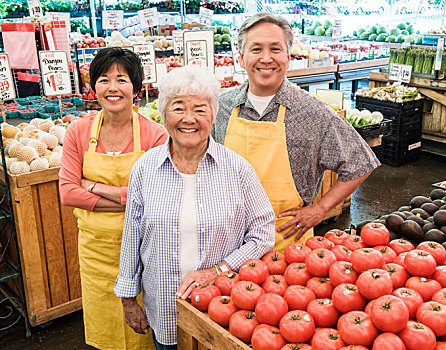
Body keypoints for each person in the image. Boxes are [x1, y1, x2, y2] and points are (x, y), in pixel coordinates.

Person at [114, 65, 275, 349]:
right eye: (178, 108)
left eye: (200, 109)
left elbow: (263, 232)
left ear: (213, 114)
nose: (189, 119)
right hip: (163, 306)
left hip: (222, 312)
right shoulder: (145, 169)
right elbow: (131, 237)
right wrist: (128, 299)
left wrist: (218, 271)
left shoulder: (237, 169)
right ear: (163, 114)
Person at [213, 13, 380, 252]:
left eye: (275, 49)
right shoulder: (222, 106)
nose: (266, 58)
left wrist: (320, 209)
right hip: (227, 240)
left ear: (288, 58)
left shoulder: (313, 112)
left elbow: (360, 162)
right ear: (241, 58)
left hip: (286, 245)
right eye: (256, 49)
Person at [59, 47, 168, 350]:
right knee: (105, 331)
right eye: (104, 80)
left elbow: (155, 198)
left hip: (146, 251)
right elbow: (68, 192)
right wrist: (130, 197)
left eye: (121, 79)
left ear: (135, 87)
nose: (112, 88)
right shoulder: (78, 132)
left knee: (145, 333)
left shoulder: (155, 135)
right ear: (94, 87)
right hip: (96, 252)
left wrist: (92, 186)